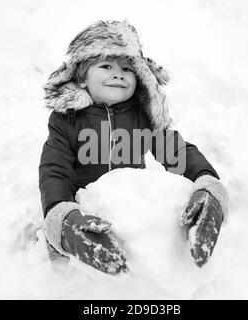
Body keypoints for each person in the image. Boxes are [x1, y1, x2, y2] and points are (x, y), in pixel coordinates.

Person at [40, 20, 229, 275]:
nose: (118, 74)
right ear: (82, 79)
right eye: (106, 66)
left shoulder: (141, 116)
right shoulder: (67, 120)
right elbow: (54, 170)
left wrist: (207, 184)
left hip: (126, 212)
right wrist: (62, 216)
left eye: (127, 68)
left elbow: (176, 150)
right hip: (85, 213)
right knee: (77, 276)